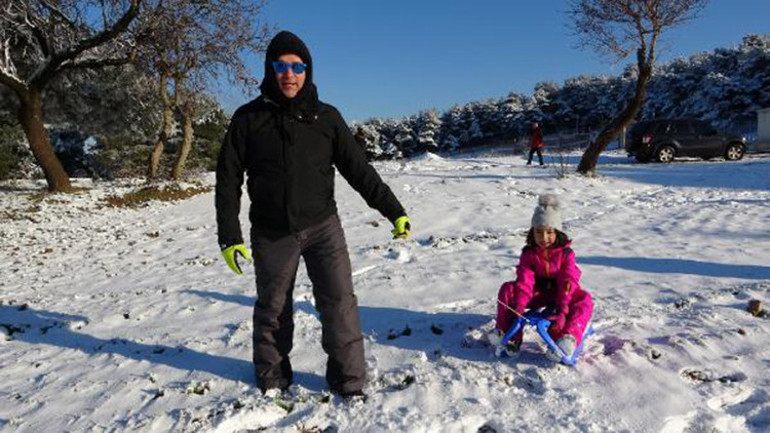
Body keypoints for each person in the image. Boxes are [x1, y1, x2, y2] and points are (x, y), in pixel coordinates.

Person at [215, 31, 411, 399]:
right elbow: (227, 179)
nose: (289, 74)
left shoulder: (327, 118)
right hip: (272, 232)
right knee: (272, 308)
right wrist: (229, 235)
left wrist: (393, 211)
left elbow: (359, 170)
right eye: (281, 66)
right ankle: (273, 381)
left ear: (307, 70)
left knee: (340, 304)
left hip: (323, 227)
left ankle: (349, 381)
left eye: (296, 66)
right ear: (270, 70)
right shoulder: (247, 119)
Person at [490, 194, 593, 360]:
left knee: (584, 298)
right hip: (536, 293)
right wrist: (520, 306)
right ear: (532, 232)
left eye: (549, 232)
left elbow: (568, 280)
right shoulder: (529, 253)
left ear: (557, 232)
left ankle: (567, 338)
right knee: (507, 289)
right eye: (539, 232)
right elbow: (525, 280)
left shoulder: (566, 254)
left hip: (561, 293)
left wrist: (562, 308)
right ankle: (507, 333)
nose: (544, 238)